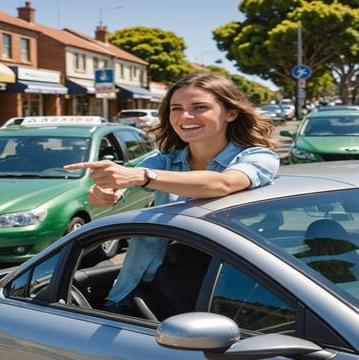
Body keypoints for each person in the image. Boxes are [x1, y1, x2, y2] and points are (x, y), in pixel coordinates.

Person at [64, 73, 279, 313]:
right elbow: (126, 184)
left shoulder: (257, 157)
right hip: (137, 291)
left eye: (199, 107)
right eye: (176, 108)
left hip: (214, 300)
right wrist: (106, 192)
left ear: (231, 113)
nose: (185, 116)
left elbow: (223, 184)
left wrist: (143, 177)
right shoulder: (164, 160)